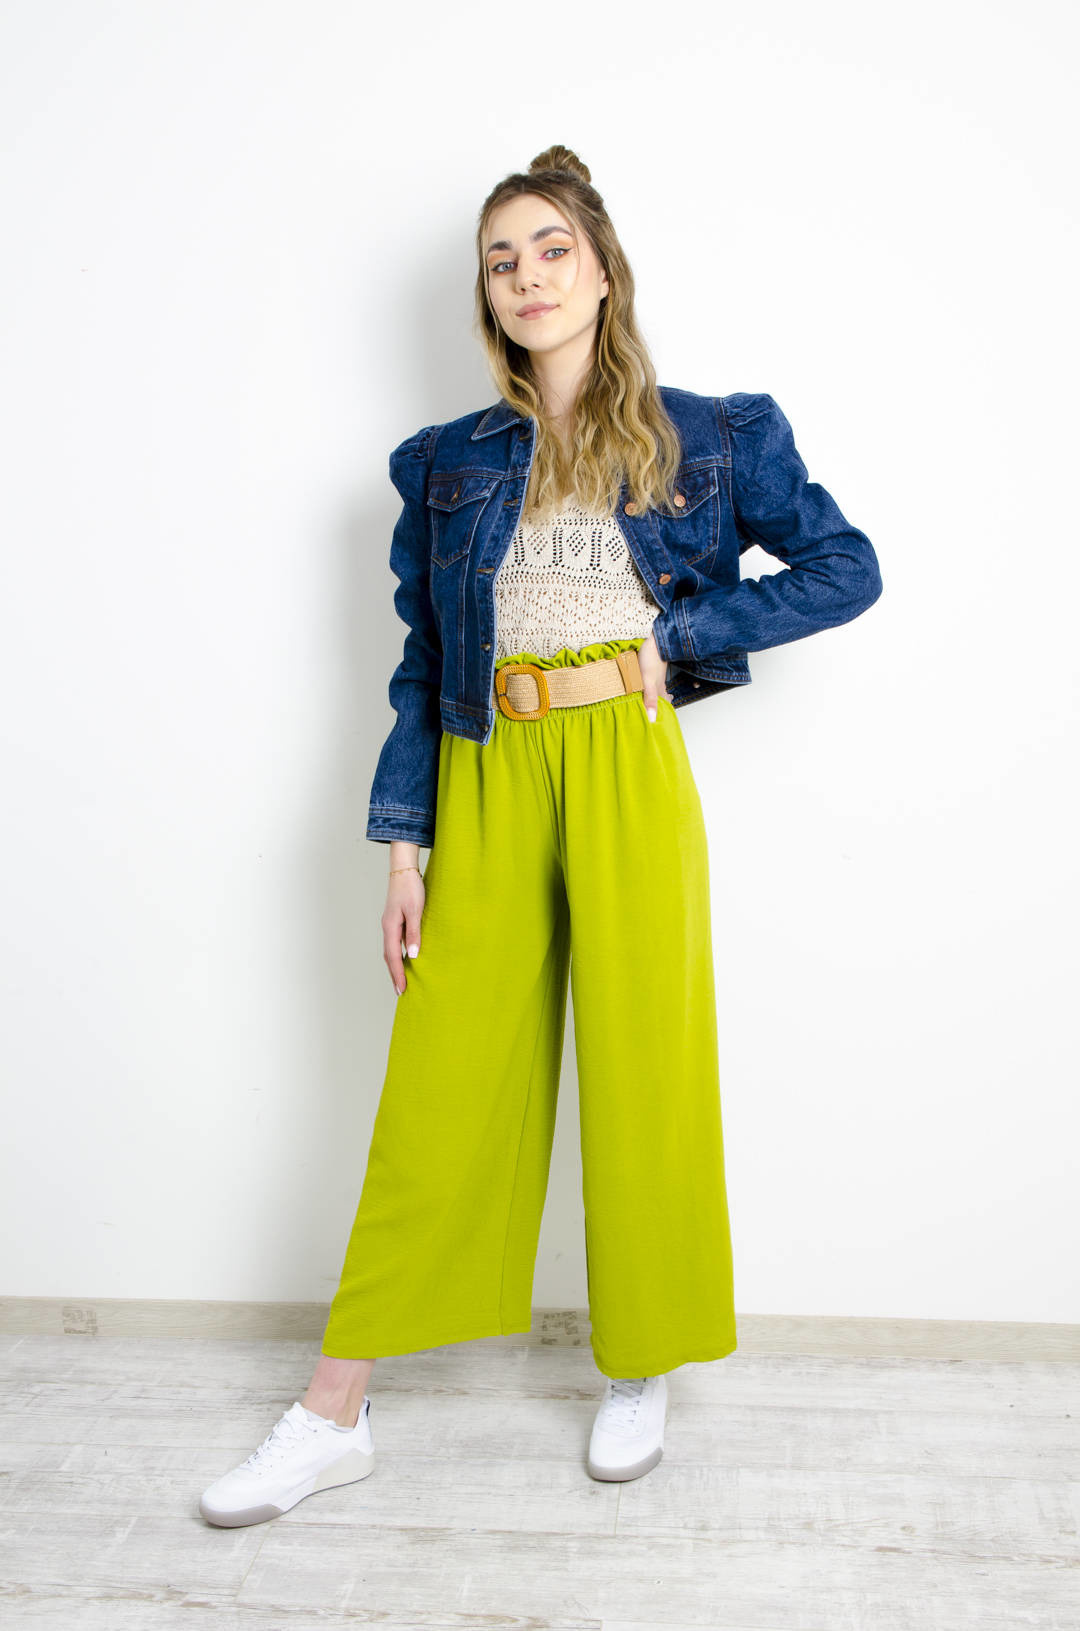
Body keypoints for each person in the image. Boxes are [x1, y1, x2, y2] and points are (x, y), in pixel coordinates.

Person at [200, 144, 883, 1528]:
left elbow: (844, 568)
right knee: (441, 1076)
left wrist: (678, 638)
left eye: (551, 249)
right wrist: (405, 845)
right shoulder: (446, 463)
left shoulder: (714, 435)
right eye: (501, 260)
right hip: (486, 766)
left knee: (644, 1064)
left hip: (627, 758)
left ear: (603, 268)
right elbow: (419, 665)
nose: (527, 277)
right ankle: (334, 1410)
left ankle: (640, 1363)